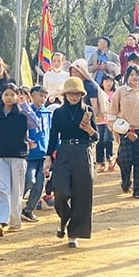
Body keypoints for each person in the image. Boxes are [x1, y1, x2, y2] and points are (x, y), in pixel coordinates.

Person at [44, 76, 98, 248]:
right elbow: (53, 136)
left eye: (77, 93)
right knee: (60, 190)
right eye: (70, 93)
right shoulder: (59, 113)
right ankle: (64, 220)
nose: (74, 96)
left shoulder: (87, 110)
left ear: (82, 94)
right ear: (65, 95)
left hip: (83, 152)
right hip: (64, 152)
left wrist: (89, 130)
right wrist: (47, 157)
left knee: (81, 194)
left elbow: (96, 137)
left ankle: (73, 234)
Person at [0, 83, 40, 236]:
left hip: (18, 155)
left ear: (17, 96)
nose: (9, 97)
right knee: (1, 187)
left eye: (12, 94)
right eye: (6, 94)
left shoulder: (22, 113)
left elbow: (35, 124)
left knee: (16, 190)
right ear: (1, 96)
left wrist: (25, 105)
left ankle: (15, 221)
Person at [110, 64, 139, 198]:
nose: (135, 77)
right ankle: (125, 181)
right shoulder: (121, 91)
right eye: (132, 74)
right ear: (127, 76)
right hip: (124, 130)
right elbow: (112, 113)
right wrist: (115, 131)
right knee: (125, 160)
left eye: (137, 75)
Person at [22, 85, 53, 221]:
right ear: (32, 95)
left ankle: (28, 210)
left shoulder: (47, 114)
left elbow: (52, 134)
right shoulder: (26, 112)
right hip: (29, 155)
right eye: (40, 95)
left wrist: (52, 152)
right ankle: (13, 204)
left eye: (45, 96)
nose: (43, 99)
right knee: (29, 180)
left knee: (39, 185)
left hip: (43, 154)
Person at [96, 75, 117, 172]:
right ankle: (100, 162)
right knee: (100, 141)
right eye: (106, 81)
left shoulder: (116, 93)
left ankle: (110, 159)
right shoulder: (99, 93)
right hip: (100, 120)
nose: (108, 83)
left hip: (111, 120)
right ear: (102, 82)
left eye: (110, 81)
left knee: (108, 140)